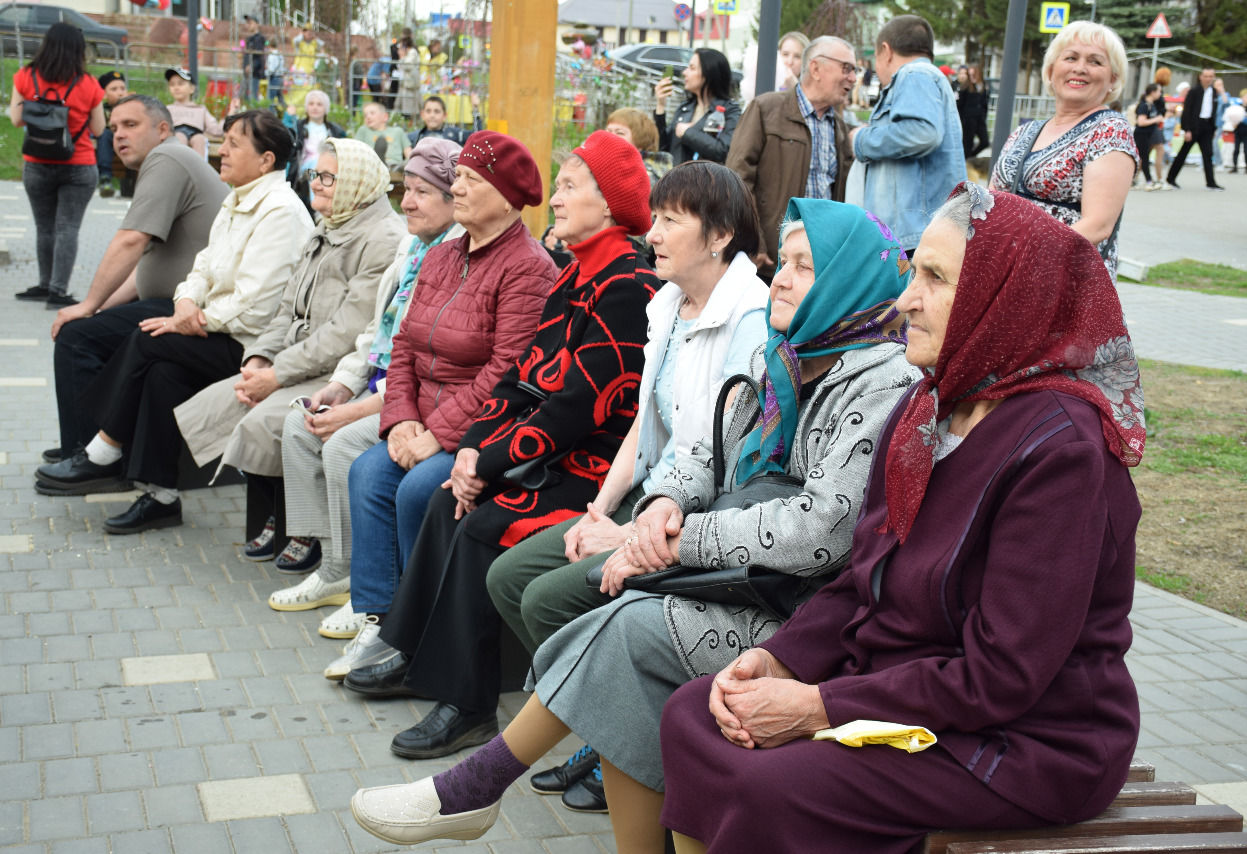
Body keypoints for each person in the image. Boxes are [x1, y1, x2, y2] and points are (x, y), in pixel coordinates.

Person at [346, 195, 919, 850]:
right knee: (607, 635)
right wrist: (662, 508)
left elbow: (824, 532)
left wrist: (674, 540)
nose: (779, 276)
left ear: (851, 281)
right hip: (740, 576)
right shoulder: (782, 356)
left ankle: (479, 784)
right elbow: (700, 452)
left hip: (810, 612)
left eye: (802, 267)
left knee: (622, 630)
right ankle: (484, 788)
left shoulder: (881, 381)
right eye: (782, 260)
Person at [657, 182, 1145, 853]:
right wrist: (777, 661)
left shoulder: (1061, 450)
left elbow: (1001, 676)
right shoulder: (928, 408)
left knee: (778, 786)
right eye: (914, 271)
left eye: (935, 279)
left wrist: (818, 708)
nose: (906, 299)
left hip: (1028, 740)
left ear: (1002, 298)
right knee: (695, 712)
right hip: (909, 694)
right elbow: (863, 579)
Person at [340, 131, 659, 762]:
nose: (557, 198)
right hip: (549, 455)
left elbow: (578, 406)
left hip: (595, 468)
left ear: (610, 204)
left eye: (570, 187)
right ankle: (418, 653)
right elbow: (522, 377)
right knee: (444, 501)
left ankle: (470, 703)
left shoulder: (627, 285)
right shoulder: (577, 274)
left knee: (481, 523)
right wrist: (473, 451)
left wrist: (488, 461)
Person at [484, 161, 770, 810]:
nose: (654, 233)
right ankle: (607, 726)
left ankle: (624, 738)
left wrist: (632, 531)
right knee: (510, 577)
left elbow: (717, 459)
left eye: (672, 220)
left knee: (546, 598)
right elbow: (646, 425)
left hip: (701, 519)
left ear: (720, 234)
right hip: (654, 499)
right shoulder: (667, 301)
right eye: (656, 217)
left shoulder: (749, 317)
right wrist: (597, 512)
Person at [324, 130, 556, 664]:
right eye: (459, 177)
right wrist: (401, 419)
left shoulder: (527, 267)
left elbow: (508, 371)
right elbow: (403, 344)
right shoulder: (442, 255)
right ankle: (381, 619)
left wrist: (438, 435)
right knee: (369, 471)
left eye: (471, 180)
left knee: (420, 489)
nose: (458, 188)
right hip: (421, 422)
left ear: (505, 196)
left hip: (481, 430)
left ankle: (420, 633)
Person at [33, 110, 313, 529]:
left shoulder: (281, 212)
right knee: (163, 371)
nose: (223, 150)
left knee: (148, 340)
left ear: (267, 160)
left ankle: (104, 449)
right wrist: (184, 305)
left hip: (254, 346)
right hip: (214, 326)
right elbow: (200, 269)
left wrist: (192, 320)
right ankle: (161, 496)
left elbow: (255, 304)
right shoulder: (236, 198)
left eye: (235, 144)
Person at [266, 137, 467, 625]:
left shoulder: (453, 254)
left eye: (422, 191)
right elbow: (375, 333)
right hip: (381, 380)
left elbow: (424, 360)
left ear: (451, 197)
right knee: (300, 423)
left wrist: (357, 409)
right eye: (407, 188)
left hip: (411, 397)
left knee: (339, 445)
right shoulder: (411, 246)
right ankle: (335, 563)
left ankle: (363, 578)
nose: (408, 202)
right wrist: (339, 386)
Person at [172, 139, 403, 539]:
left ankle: (299, 529)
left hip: (336, 367)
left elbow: (344, 332)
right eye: (315, 174)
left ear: (356, 183)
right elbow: (287, 307)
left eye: (329, 177)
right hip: (297, 357)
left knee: (265, 419)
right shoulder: (328, 224)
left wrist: (277, 375)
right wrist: (260, 358)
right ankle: (274, 518)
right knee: (223, 401)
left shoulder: (381, 238)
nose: (317, 184)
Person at [41, 95, 228, 470]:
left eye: (130, 125)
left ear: (162, 130)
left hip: (197, 310)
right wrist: (94, 310)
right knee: (88, 328)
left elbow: (131, 240)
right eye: (112, 129)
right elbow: (142, 271)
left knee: (77, 340)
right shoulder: (168, 161)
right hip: (180, 302)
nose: (119, 135)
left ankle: (91, 456)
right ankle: (94, 443)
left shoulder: (167, 158)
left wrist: (88, 306)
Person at [990, 21, 1137, 282]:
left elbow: (1098, 225)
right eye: (1070, 57)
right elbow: (992, 202)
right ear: (1050, 70)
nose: (1080, 68)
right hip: (1007, 275)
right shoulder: (1026, 131)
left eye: (1095, 61)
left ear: (1113, 78)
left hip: (1065, 281)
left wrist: (1027, 256)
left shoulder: (1109, 130)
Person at [727, 36, 858, 273]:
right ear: (816, 68)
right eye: (846, 68)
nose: (853, 78)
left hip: (818, 261)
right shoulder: (766, 109)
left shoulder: (838, 127)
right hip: (770, 259)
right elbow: (738, 179)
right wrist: (753, 242)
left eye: (854, 70)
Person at [8, 22, 106, 308]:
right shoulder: (88, 84)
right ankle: (58, 291)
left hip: (37, 164)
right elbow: (99, 129)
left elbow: (16, 119)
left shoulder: (26, 76)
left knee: (45, 228)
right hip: (78, 165)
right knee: (67, 228)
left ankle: (42, 283)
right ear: (79, 50)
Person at [852, 16, 965, 255]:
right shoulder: (928, 76)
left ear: (886, 50)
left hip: (912, 237)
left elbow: (922, 133)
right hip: (921, 234)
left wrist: (861, 139)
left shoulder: (914, 74)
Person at [653, 48, 739, 166]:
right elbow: (663, 149)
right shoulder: (685, 108)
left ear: (709, 73)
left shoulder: (730, 110)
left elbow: (723, 151)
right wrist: (660, 105)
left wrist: (688, 132)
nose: (685, 72)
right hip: (677, 180)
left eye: (692, 68)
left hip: (706, 181)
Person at [283, 89, 346, 210]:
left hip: (329, 168)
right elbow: (285, 138)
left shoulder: (334, 130)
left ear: (326, 108)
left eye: (319, 104)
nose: (315, 107)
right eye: (311, 104)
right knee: (316, 164)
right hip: (305, 167)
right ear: (306, 107)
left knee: (325, 168)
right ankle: (319, 209)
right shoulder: (298, 126)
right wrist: (289, 117)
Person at [1165, 67, 1223, 192]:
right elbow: (1187, 111)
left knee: (1208, 154)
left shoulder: (1214, 92)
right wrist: (1187, 129)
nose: (1208, 79)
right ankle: (1170, 179)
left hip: (1207, 127)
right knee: (1183, 153)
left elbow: (1214, 111)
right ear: (1201, 77)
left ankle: (1211, 182)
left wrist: (1213, 129)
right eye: (1206, 76)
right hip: (1193, 126)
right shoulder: (1194, 91)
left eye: (1210, 76)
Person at [164, 67, 222, 158]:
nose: (176, 87)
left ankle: (199, 170)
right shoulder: (168, 109)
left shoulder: (200, 109)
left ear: (192, 88)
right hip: (177, 131)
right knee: (179, 138)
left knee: (199, 140)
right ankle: (179, 168)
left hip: (196, 132)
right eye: (172, 84)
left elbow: (215, 129)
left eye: (180, 84)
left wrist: (231, 112)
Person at [605, 107, 672, 185]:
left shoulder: (646, 177)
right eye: (608, 131)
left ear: (640, 140)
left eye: (620, 133)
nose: (610, 137)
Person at [95, 70, 130, 196]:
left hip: (130, 140)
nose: (120, 93)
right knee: (105, 135)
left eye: (122, 88)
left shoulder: (133, 108)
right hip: (110, 140)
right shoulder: (101, 110)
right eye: (114, 89)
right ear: (104, 94)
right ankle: (105, 178)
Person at [354, 101, 411, 168]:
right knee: (380, 145)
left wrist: (410, 162)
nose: (368, 117)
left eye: (372, 113)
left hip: (395, 166)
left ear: (385, 117)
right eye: (365, 115)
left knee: (404, 164)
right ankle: (380, 163)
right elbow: (356, 151)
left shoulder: (398, 131)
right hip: (373, 165)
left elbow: (408, 152)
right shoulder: (364, 130)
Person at [408, 94, 481, 146]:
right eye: (428, 111)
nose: (432, 115)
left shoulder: (454, 134)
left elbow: (476, 137)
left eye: (437, 111)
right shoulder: (415, 136)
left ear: (444, 115)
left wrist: (475, 109)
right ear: (422, 115)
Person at [956, 63, 989, 160]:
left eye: (974, 75)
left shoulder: (983, 86)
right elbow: (960, 106)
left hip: (980, 120)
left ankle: (971, 158)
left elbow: (984, 104)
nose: (972, 77)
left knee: (984, 142)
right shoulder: (965, 87)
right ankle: (967, 161)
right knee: (967, 145)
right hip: (968, 121)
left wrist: (983, 115)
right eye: (969, 75)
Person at [1134, 84, 1164, 189]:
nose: (1160, 94)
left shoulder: (1152, 105)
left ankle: (1137, 179)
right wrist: (1156, 119)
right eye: (1159, 91)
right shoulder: (1144, 105)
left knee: (1143, 158)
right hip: (1141, 134)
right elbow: (1141, 122)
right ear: (1152, 92)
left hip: (1148, 134)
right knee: (1144, 158)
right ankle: (1149, 180)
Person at [395, 31, 420, 121]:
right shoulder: (409, 54)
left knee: (409, 109)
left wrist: (402, 57)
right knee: (402, 106)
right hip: (406, 85)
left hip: (410, 85)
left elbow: (408, 66)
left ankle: (409, 124)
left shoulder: (412, 53)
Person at [242, 15, 266, 101]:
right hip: (247, 73)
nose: (248, 25)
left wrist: (252, 66)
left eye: (251, 23)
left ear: (256, 24)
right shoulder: (250, 39)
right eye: (248, 23)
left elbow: (259, 56)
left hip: (254, 73)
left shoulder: (259, 38)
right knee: (244, 97)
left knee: (253, 97)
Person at [265, 40, 286, 107]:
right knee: (280, 99)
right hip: (280, 78)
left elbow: (272, 69)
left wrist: (265, 73)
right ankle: (288, 112)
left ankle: (270, 115)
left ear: (270, 46)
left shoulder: (272, 55)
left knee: (270, 100)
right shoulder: (280, 54)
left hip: (274, 78)